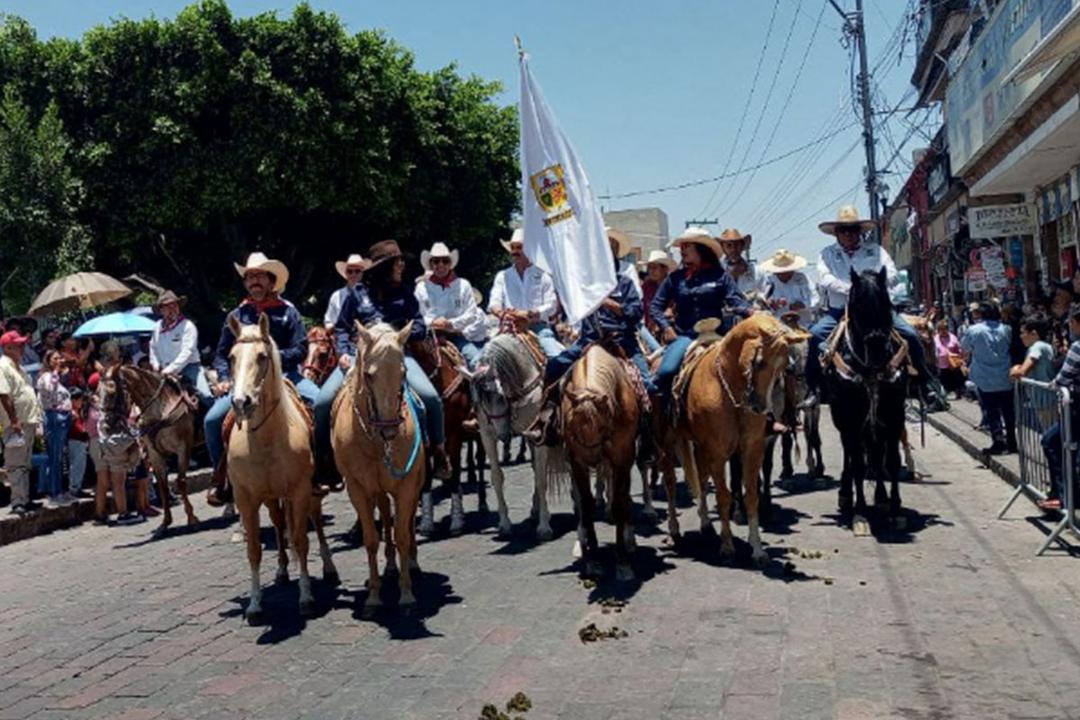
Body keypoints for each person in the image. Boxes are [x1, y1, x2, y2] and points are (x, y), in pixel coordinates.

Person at [322, 240, 452, 479]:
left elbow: (421, 325)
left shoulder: (405, 293)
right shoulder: (356, 295)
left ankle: (438, 452)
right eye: (398, 262)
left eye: (401, 261)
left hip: (398, 357)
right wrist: (343, 354)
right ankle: (324, 462)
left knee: (431, 399)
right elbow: (341, 328)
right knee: (322, 402)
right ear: (386, 267)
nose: (402, 266)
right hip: (359, 358)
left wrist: (397, 336)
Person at [529, 231, 656, 445]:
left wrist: (609, 303)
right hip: (588, 341)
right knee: (554, 366)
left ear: (615, 254)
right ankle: (546, 422)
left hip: (621, 342)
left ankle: (650, 438)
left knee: (647, 384)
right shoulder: (585, 284)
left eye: (607, 250)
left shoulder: (624, 283)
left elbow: (636, 313)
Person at [804, 205, 930, 405]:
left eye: (852, 229)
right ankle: (814, 388)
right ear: (836, 233)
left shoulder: (875, 250)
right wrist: (853, 290)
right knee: (816, 336)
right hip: (841, 311)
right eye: (843, 230)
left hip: (877, 311)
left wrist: (873, 288)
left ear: (859, 231)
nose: (848, 234)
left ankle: (924, 383)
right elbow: (824, 279)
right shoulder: (827, 254)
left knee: (911, 335)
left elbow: (893, 274)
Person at [204, 252, 317, 476]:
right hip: (244, 381)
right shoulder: (236, 315)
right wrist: (225, 378)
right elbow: (221, 354)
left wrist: (272, 359)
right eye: (249, 277)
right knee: (212, 420)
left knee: (320, 402)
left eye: (260, 276)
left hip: (286, 376)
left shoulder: (288, 311)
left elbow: (301, 348)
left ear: (271, 280)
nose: (254, 281)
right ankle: (222, 476)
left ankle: (319, 467)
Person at [650, 227, 751, 398]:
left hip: (718, 334)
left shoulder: (720, 276)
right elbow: (655, 307)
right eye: (681, 247)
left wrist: (750, 311)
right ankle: (664, 416)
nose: (682, 250)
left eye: (686, 246)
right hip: (686, 336)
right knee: (666, 372)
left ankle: (762, 415)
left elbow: (736, 301)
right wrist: (666, 327)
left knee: (749, 369)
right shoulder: (675, 278)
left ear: (700, 249)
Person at [487, 228, 564, 359]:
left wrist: (529, 313)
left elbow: (551, 305)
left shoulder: (543, 275)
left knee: (557, 357)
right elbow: (494, 302)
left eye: (519, 247)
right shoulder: (502, 276)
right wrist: (502, 313)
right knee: (482, 360)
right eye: (513, 248)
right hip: (509, 328)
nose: (515, 252)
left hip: (537, 328)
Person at [414, 242, 488, 368]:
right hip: (429, 337)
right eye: (436, 261)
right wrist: (433, 322)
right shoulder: (421, 288)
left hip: (457, 335)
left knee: (478, 362)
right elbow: (417, 315)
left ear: (450, 264)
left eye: (445, 261)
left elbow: (471, 314)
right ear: (431, 264)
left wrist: (450, 324)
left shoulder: (463, 285)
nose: (440, 265)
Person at [961, 302, 1016, 455]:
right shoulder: (1006, 329)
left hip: (984, 378)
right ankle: (1012, 442)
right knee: (1008, 411)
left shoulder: (974, 330)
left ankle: (998, 441)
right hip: (1005, 376)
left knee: (992, 412)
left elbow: (964, 347)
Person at [1040, 304, 1080, 511]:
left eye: (1072, 322)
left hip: (1076, 408)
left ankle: (1068, 496)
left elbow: (1063, 378)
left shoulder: (1077, 346)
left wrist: (1054, 384)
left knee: (1052, 442)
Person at [0, 329, 44, 515]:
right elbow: (3, 394)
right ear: (8, 347)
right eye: (19, 344)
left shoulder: (20, 367)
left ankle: (25, 499)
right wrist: (14, 419)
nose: (22, 347)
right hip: (15, 423)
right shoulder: (3, 366)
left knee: (25, 463)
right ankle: (18, 501)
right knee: (16, 464)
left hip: (27, 421)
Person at [149, 289, 202, 395]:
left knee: (205, 395)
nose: (172, 309)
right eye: (168, 306)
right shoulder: (157, 327)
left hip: (189, 368)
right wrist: (155, 364)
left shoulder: (187, 326)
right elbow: (153, 348)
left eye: (175, 306)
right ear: (161, 310)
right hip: (164, 371)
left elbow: (187, 352)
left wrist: (171, 369)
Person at [36, 350, 72, 502]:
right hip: (54, 419)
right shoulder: (46, 377)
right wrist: (56, 372)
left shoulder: (57, 378)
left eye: (60, 358)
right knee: (55, 457)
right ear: (49, 361)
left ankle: (57, 489)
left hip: (62, 419)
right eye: (55, 358)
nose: (59, 360)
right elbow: (49, 390)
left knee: (58, 457)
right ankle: (54, 491)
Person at [1010, 313, 1056, 430]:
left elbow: (1021, 372)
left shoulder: (1037, 346)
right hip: (1044, 400)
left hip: (1046, 400)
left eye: (1023, 332)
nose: (1021, 336)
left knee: (1051, 438)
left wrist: (1015, 369)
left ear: (1034, 333)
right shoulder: (1044, 346)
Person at [759, 249, 817, 327]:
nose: (783, 274)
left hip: (803, 324)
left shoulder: (802, 278)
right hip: (777, 326)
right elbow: (762, 305)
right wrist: (771, 305)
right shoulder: (768, 281)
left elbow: (816, 299)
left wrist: (803, 305)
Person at [718, 228, 766, 300]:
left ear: (742, 246)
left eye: (737, 245)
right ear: (723, 248)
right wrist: (732, 276)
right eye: (729, 245)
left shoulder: (757, 271)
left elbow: (765, 296)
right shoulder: (716, 270)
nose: (733, 249)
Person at [325, 254, 367, 329]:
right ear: (345, 273)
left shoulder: (370, 294)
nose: (353, 274)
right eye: (350, 271)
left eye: (357, 271)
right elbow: (329, 321)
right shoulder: (336, 295)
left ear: (362, 273)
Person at [641, 249, 676, 336]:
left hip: (668, 330)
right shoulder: (646, 286)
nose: (651, 271)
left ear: (665, 269)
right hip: (649, 330)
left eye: (654, 268)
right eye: (649, 268)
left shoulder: (673, 286)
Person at [67, 387, 90, 500]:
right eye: (79, 399)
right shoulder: (72, 413)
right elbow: (77, 428)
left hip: (80, 441)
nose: (81, 402)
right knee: (77, 465)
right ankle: (74, 487)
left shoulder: (77, 412)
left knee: (80, 464)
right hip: (76, 440)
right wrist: (87, 431)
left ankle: (77, 486)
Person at [934, 319, 965, 399]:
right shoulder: (935, 338)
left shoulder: (953, 337)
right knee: (944, 380)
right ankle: (946, 394)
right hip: (942, 364)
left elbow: (959, 349)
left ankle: (958, 393)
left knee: (956, 379)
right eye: (940, 329)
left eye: (944, 329)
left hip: (953, 363)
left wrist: (960, 358)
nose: (943, 331)